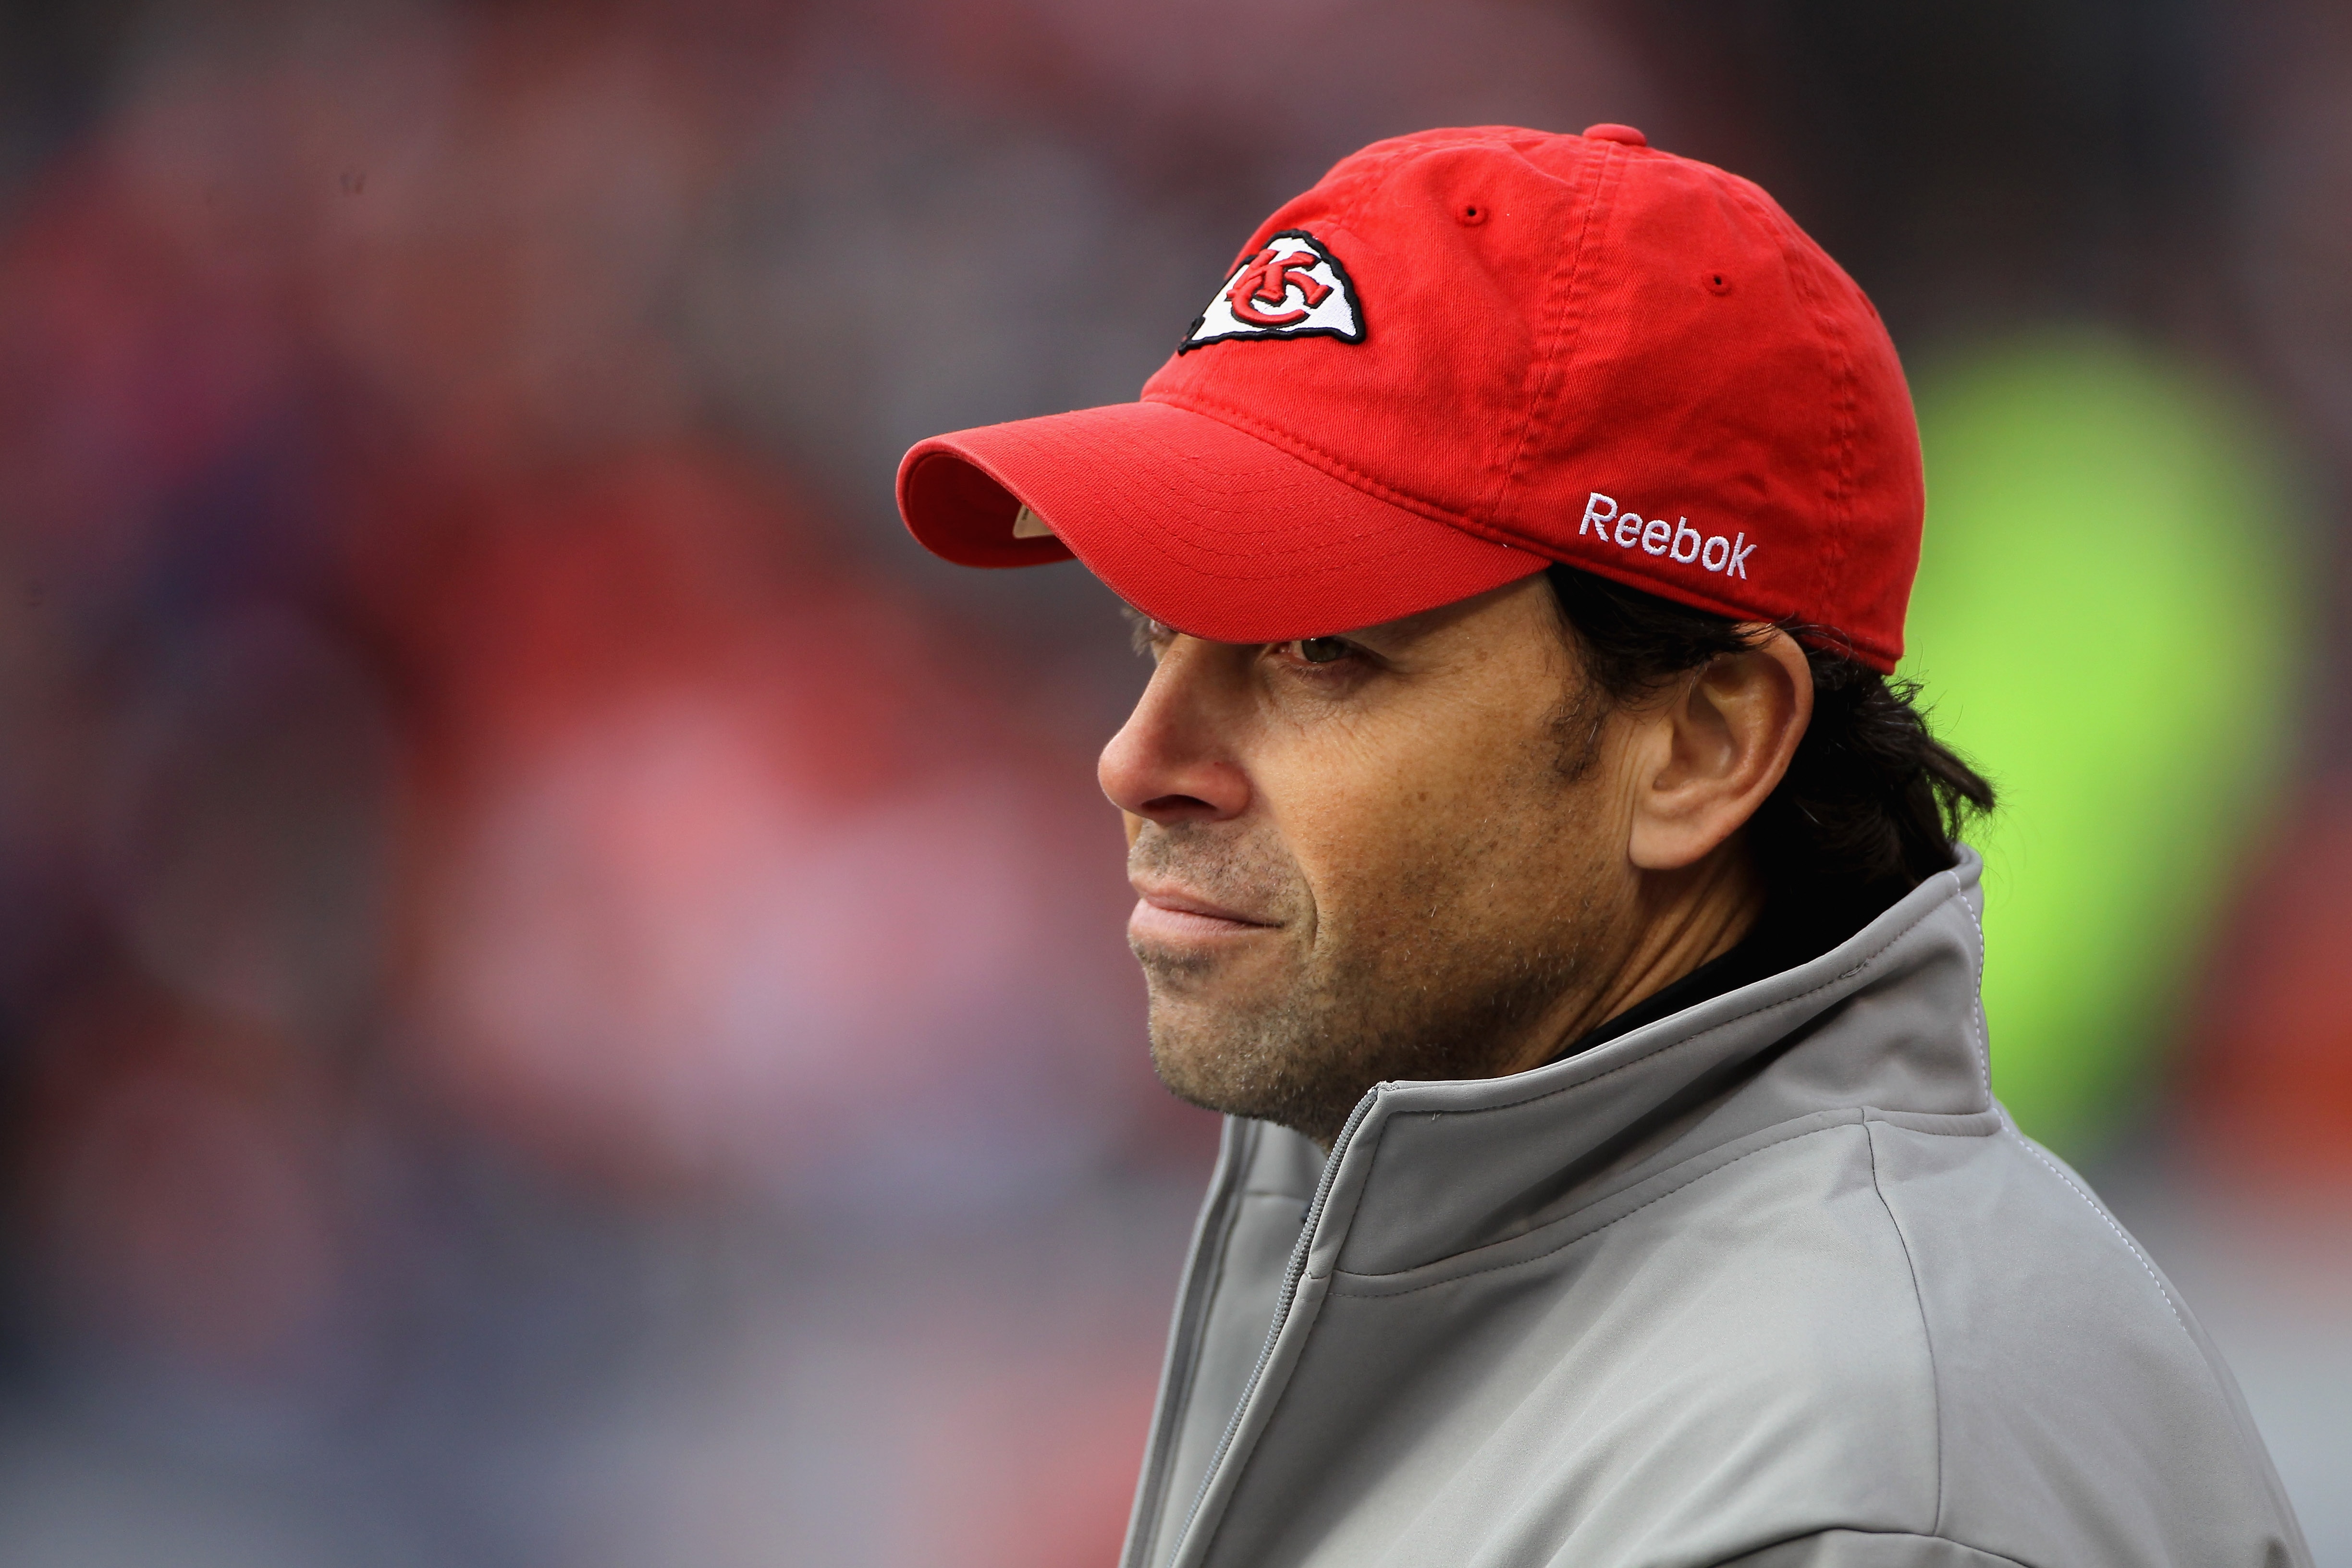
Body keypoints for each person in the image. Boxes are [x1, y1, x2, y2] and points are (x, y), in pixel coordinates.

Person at [895, 125, 2310, 1568]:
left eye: (1318, 652)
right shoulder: (1468, 1236)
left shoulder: (1857, 1492)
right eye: (1156, 634)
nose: (1136, 759)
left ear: (1704, 747)